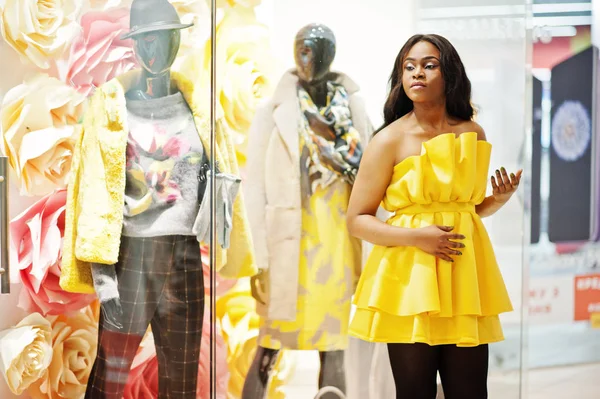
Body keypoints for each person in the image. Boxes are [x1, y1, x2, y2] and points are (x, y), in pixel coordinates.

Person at [346, 34, 522, 399]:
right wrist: (417, 237)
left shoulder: (472, 132)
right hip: (411, 279)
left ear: (450, 74)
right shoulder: (388, 140)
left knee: (472, 390)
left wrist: (497, 200)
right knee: (414, 392)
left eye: (429, 65)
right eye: (409, 67)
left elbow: (464, 211)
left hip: (463, 276)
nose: (417, 74)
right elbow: (357, 220)